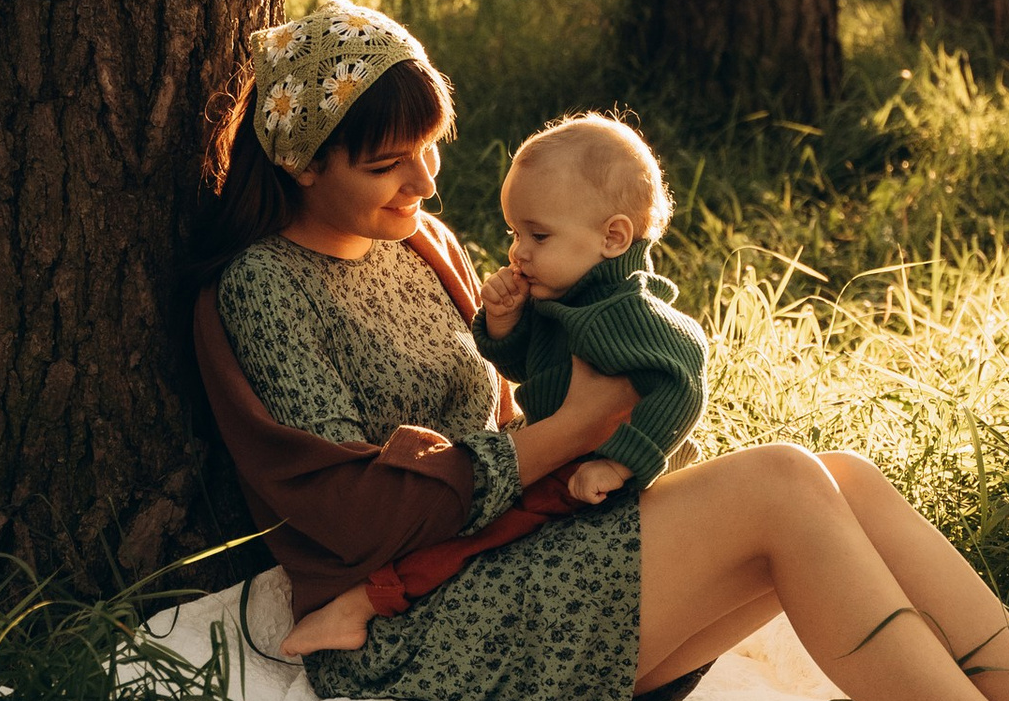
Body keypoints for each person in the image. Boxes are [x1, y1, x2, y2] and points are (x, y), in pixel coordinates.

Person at [191, 0, 1009, 701]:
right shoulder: (262, 290)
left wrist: (585, 406)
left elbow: (509, 397)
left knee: (839, 480)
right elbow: (350, 519)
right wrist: (571, 431)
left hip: (514, 552)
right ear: (301, 160)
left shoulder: (420, 244)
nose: (423, 179)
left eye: (430, 148)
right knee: (778, 485)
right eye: (386, 162)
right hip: (422, 626)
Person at [279, 109, 704, 660]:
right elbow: (532, 370)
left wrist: (619, 463)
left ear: (613, 237)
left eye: (538, 235)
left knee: (481, 539)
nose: (518, 252)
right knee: (480, 537)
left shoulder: (631, 312)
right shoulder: (567, 299)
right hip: (557, 458)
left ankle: (363, 604)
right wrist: (504, 326)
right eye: (515, 233)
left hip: (591, 472)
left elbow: (683, 386)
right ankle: (363, 603)